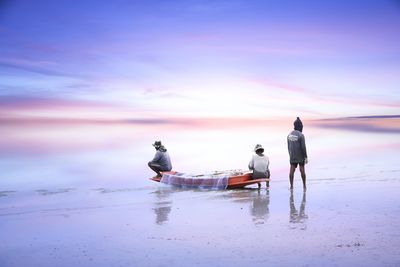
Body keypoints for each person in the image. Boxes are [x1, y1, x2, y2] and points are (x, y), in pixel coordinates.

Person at [287, 117, 308, 190]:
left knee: (291, 170)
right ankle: (304, 186)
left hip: (292, 155)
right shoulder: (301, 135)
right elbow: (303, 147)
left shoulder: (289, 135)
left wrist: (290, 155)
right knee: (302, 170)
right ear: (300, 126)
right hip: (300, 156)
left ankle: (291, 186)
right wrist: (305, 156)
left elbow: (288, 147)